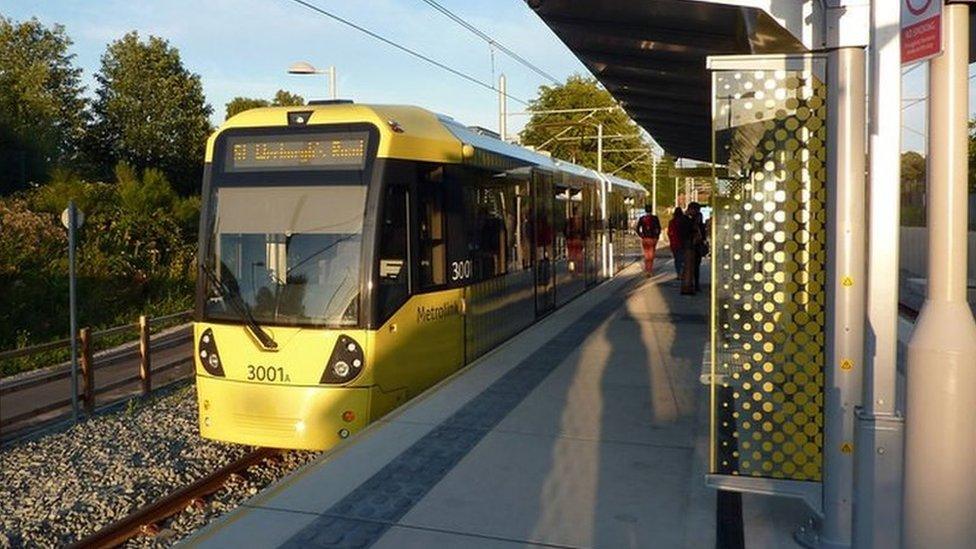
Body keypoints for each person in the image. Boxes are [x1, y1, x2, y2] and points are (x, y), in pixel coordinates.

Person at [679, 202, 706, 295]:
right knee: (689, 266)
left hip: (694, 245)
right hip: (689, 245)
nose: (697, 212)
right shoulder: (686, 220)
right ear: (691, 209)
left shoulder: (694, 219)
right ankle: (688, 286)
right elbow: (686, 232)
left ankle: (692, 284)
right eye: (696, 210)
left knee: (694, 266)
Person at [635, 204, 662, 276]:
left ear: (645, 210)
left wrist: (641, 235)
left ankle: (647, 270)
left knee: (646, 254)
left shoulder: (642, 218)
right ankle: (650, 270)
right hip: (653, 238)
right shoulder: (655, 218)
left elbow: (637, 228)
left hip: (645, 238)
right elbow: (659, 228)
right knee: (651, 255)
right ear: (651, 210)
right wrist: (657, 236)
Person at [667, 207, 684, 276]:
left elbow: (669, 233)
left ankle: (678, 273)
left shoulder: (671, 222)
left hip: (674, 243)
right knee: (683, 259)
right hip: (683, 242)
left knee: (677, 259)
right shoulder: (683, 221)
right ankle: (683, 272)